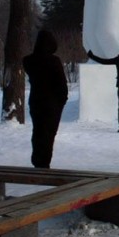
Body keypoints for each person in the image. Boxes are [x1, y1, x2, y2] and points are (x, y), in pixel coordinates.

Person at [23, 30, 68, 168]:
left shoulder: (28, 60)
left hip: (36, 100)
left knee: (38, 130)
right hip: (52, 103)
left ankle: (37, 159)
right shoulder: (54, 61)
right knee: (49, 133)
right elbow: (61, 83)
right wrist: (62, 99)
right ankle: (44, 162)